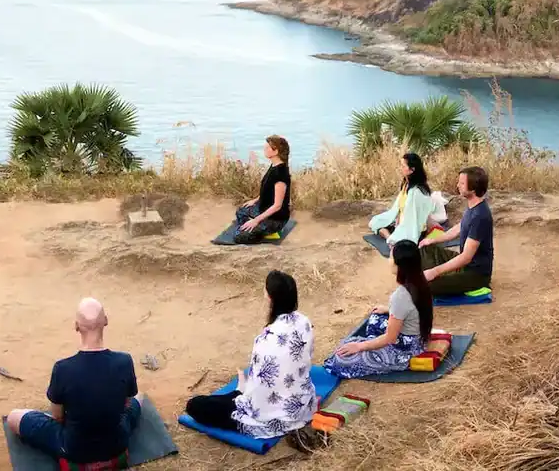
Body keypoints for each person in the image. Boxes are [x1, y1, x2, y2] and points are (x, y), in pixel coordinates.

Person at [5, 299, 139, 467]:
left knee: (13, 417)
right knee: (136, 401)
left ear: (76, 326)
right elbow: (126, 404)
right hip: (117, 443)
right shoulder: (125, 361)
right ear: (105, 321)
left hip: (74, 449)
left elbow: (58, 416)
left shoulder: (62, 368)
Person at [184, 270, 317, 438]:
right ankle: (238, 392)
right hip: (303, 408)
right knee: (222, 400)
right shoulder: (304, 322)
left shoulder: (266, 340)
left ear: (270, 297)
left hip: (270, 419)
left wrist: (243, 394)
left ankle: (238, 391)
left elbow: (260, 390)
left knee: (195, 405)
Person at [324, 241, 435, 378]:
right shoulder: (420, 281)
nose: (389, 261)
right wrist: (389, 310)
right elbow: (412, 310)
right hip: (419, 339)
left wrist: (360, 346)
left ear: (399, 266)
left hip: (404, 350)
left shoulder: (400, 296)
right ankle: (370, 343)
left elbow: (390, 338)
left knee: (341, 359)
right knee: (375, 318)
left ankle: (376, 350)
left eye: (391, 258)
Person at [417, 166, 494, 296]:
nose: (458, 185)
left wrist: (435, 271)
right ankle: (429, 272)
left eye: (462, 183)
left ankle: (430, 275)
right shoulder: (472, 206)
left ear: (473, 188)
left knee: (423, 285)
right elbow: (456, 230)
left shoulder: (480, 216)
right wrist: (431, 240)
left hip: (474, 274)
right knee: (424, 249)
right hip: (464, 265)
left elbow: (466, 258)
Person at [368, 152, 441, 245]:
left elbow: (414, 219)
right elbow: (398, 208)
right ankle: (391, 237)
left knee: (392, 236)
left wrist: (400, 227)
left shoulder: (417, 192)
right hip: (401, 222)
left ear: (412, 170)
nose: (400, 168)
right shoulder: (406, 184)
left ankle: (391, 238)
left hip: (412, 228)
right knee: (376, 223)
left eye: (403, 166)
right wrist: (397, 222)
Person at [233, 136, 292, 244]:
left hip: (276, 218)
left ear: (276, 151)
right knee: (241, 211)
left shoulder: (281, 174)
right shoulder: (273, 166)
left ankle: (272, 232)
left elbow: (277, 205)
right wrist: (255, 200)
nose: (264, 149)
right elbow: (268, 190)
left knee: (239, 237)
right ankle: (257, 227)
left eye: (267, 148)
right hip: (263, 209)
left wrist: (256, 220)